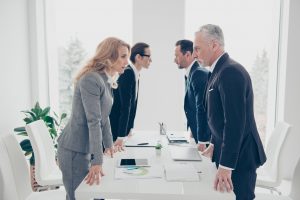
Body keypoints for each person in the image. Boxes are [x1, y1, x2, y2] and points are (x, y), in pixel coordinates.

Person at [193, 24, 266, 200]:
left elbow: (235, 123)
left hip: (240, 157)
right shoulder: (217, 71)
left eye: (198, 48)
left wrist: (226, 165)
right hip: (231, 152)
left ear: (213, 45)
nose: (195, 54)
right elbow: (217, 115)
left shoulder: (230, 72)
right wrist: (213, 143)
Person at [57, 37, 130, 200]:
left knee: (97, 195)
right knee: (77, 197)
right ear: (109, 57)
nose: (127, 61)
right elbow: (94, 121)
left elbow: (105, 118)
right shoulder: (91, 79)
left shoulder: (106, 80)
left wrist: (109, 146)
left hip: (87, 149)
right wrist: (98, 160)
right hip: (74, 151)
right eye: (123, 56)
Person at [109, 42, 152, 151]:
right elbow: (125, 107)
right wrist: (121, 135)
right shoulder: (128, 73)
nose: (151, 60)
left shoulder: (135, 73)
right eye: (149, 57)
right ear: (138, 57)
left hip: (122, 130)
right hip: (115, 129)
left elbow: (133, 105)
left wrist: (129, 128)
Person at [174, 39, 210, 151]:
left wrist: (202, 140)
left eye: (177, 56)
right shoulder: (191, 73)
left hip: (206, 139)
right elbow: (192, 105)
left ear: (188, 55)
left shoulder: (198, 73)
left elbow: (202, 108)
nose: (174, 60)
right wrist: (192, 130)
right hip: (196, 135)